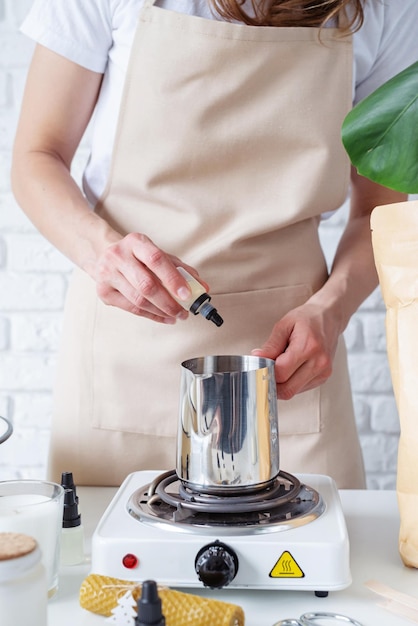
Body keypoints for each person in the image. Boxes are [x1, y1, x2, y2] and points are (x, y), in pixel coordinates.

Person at [11, 0, 418, 488]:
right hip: (124, 359)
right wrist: (104, 253)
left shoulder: (388, 9)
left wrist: (332, 311)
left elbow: (380, 206)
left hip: (290, 369)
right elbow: (38, 155)